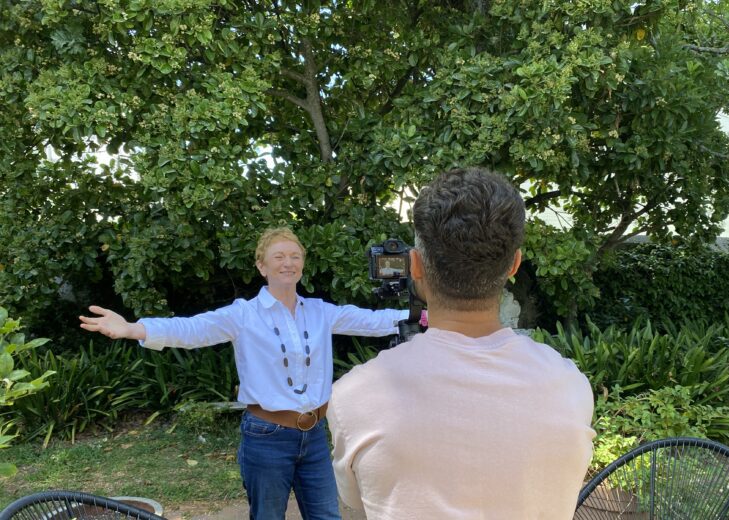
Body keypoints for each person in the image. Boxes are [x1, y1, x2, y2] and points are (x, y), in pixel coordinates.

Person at [79, 227, 407, 520]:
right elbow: (192, 329)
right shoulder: (244, 315)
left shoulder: (321, 311)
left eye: (295, 256)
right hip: (266, 436)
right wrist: (133, 329)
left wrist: (427, 315)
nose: (288, 263)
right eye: (279, 256)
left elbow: (372, 321)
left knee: (326, 515)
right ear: (262, 266)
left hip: (316, 435)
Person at [327, 167, 596, 519]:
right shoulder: (570, 386)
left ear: (415, 265)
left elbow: (356, 502)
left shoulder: (354, 395)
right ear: (514, 264)